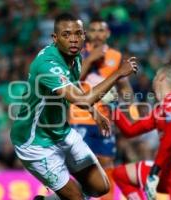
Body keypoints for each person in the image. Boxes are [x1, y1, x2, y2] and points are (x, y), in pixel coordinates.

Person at [10, 13, 138, 200]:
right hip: (35, 141)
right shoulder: (48, 64)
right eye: (66, 34)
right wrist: (119, 73)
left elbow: (75, 88)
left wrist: (94, 111)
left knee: (100, 188)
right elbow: (83, 100)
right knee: (76, 198)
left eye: (78, 34)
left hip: (61, 132)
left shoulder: (75, 57)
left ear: (83, 36)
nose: (73, 39)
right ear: (55, 38)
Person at [68, 16, 138, 199]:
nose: (97, 34)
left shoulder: (116, 56)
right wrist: (90, 59)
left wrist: (133, 111)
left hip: (105, 118)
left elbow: (124, 86)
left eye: (101, 30)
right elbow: (71, 82)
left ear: (107, 34)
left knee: (107, 161)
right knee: (82, 164)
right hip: (80, 116)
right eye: (93, 30)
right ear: (86, 34)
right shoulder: (76, 54)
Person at [112, 63, 171, 200]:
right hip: (165, 173)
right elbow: (129, 131)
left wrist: (154, 171)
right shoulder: (160, 109)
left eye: (155, 77)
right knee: (120, 174)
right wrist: (112, 107)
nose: (153, 81)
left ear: (161, 77)